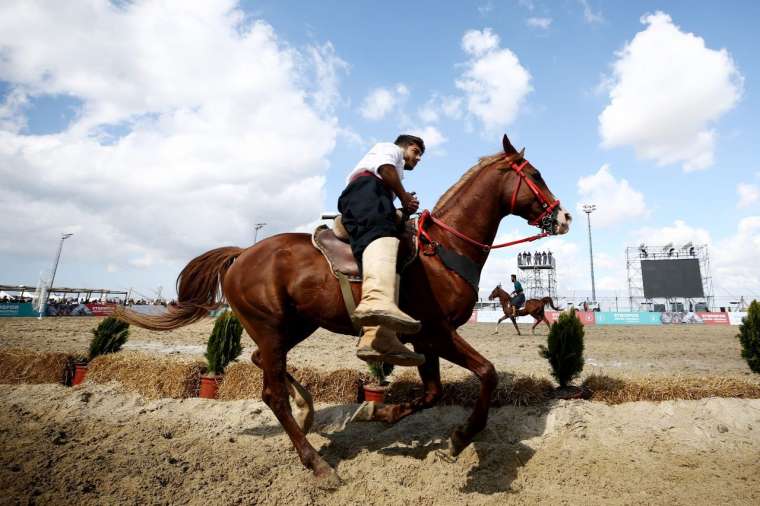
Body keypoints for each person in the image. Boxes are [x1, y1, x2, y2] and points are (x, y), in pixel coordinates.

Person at [338, 135, 426, 367]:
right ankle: (375, 303)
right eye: (416, 151)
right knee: (379, 234)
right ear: (404, 146)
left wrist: (401, 208)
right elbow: (385, 169)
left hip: (374, 195)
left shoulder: (395, 174)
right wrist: (405, 197)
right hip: (365, 191)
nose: (417, 158)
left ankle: (379, 337)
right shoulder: (390, 150)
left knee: (390, 249)